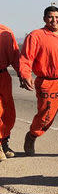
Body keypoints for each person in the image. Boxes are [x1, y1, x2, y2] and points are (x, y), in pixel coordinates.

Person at [20, 6, 58, 156]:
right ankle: (32, 136)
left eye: (57, 17)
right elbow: (26, 58)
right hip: (48, 84)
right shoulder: (36, 36)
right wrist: (25, 74)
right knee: (45, 118)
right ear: (44, 19)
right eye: (50, 17)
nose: (54, 20)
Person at [0, 24, 20, 161]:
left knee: (8, 113)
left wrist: (22, 74)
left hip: (3, 76)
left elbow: (15, 55)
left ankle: (4, 142)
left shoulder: (6, 31)